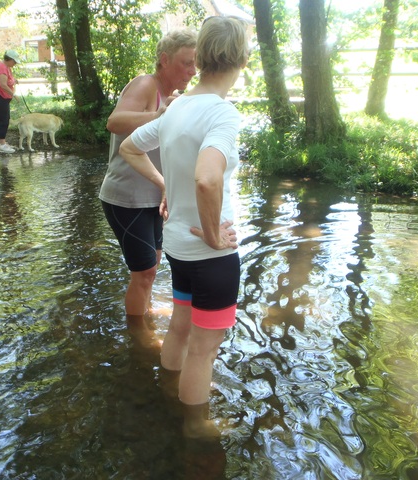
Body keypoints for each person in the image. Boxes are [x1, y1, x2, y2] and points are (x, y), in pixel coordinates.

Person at [119, 16, 249, 438]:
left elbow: (128, 146)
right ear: (242, 59)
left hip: (176, 243)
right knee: (205, 350)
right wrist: (213, 235)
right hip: (210, 253)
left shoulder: (178, 108)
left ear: (203, 57)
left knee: (179, 327)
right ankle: (196, 429)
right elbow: (208, 177)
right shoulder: (223, 113)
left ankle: (166, 393)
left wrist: (165, 187)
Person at [98, 29, 198, 345]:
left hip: (155, 195)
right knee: (143, 273)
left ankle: (144, 314)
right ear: (164, 60)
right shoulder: (146, 85)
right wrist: (157, 115)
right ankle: (138, 337)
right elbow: (114, 122)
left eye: (195, 65)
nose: (192, 72)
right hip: (125, 197)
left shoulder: (177, 98)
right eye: (186, 64)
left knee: (150, 269)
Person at [0, 49, 21, 154]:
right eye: (14, 61)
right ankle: (2, 145)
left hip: (2, 97)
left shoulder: (6, 67)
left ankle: (3, 142)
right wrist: (13, 94)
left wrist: (14, 81)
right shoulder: (2, 68)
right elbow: (3, 85)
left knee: (6, 118)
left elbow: (8, 80)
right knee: (3, 120)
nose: (15, 64)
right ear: (9, 59)